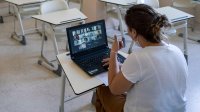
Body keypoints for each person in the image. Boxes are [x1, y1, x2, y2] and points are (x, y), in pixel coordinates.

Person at [95, 4, 188, 112]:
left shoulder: (137, 58)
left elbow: (114, 89)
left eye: (128, 29)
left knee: (103, 88)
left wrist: (113, 52)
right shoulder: (176, 50)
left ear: (134, 32)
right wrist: (123, 67)